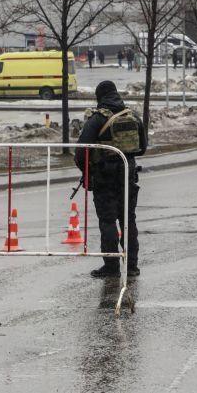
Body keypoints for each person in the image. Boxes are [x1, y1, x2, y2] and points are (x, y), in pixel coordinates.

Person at [75, 81, 147, 278]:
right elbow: (142, 147)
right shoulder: (133, 116)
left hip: (105, 177)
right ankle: (132, 266)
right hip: (128, 173)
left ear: (100, 97)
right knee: (128, 220)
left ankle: (112, 267)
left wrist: (88, 171)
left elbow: (80, 152)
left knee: (108, 221)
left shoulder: (97, 119)